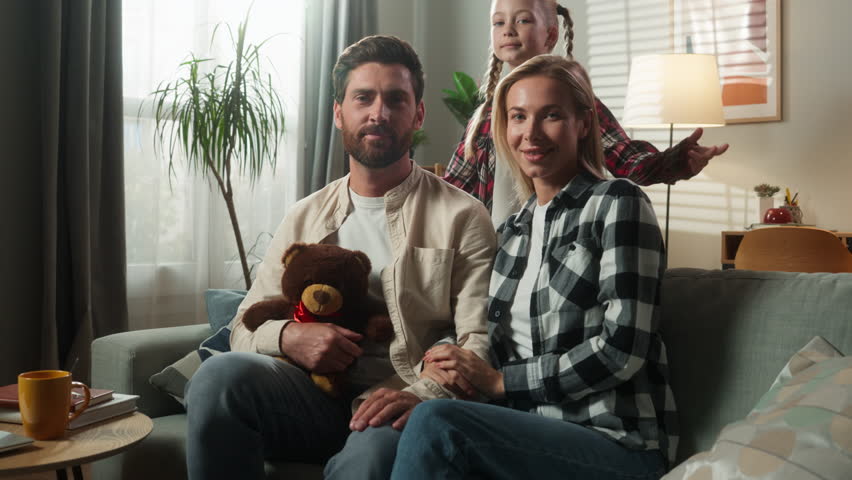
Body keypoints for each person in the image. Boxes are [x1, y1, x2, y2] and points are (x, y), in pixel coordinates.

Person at [184, 35, 496, 480]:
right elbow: (243, 326)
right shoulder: (304, 215)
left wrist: (424, 395)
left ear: (418, 113)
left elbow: (478, 341)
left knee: (367, 461)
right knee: (217, 378)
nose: (378, 114)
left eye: (395, 99)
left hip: (400, 403)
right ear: (338, 113)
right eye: (363, 98)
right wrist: (289, 336)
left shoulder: (464, 216)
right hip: (307, 398)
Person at [390, 55, 677, 479]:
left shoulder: (618, 203)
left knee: (438, 426)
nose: (531, 133)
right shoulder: (512, 231)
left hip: (615, 442)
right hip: (528, 434)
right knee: (397, 428)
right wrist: (444, 358)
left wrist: (503, 384)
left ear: (583, 123)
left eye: (552, 116)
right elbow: (491, 333)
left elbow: (622, 349)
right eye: (518, 117)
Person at [445, 0, 729, 224]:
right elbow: (454, 189)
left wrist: (676, 161)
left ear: (551, 34)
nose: (508, 29)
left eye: (523, 20)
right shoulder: (483, 117)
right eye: (498, 22)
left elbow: (625, 158)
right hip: (498, 253)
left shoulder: (576, 102)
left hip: (561, 238)